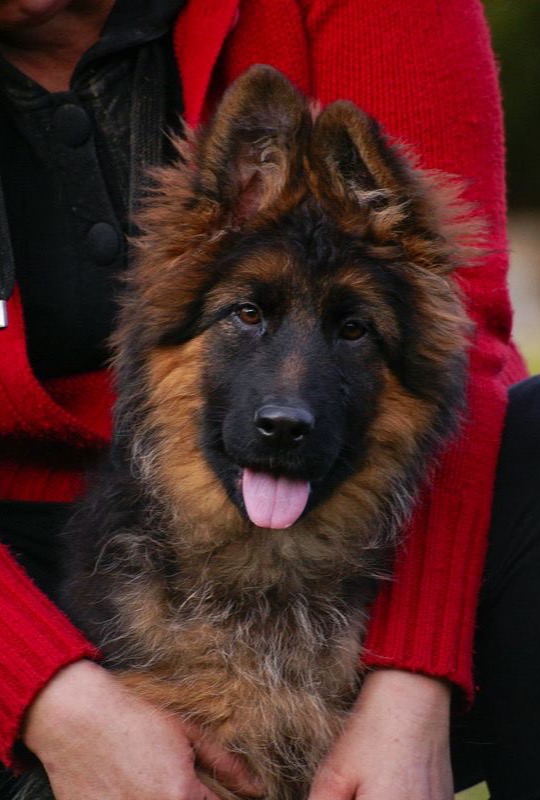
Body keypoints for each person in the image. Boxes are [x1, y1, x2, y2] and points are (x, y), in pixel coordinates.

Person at [0, 1, 536, 798]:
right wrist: (48, 694)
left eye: (351, 329)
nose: (288, 396)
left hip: (391, 537)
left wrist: (417, 673)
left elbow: (464, 342)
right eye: (249, 314)